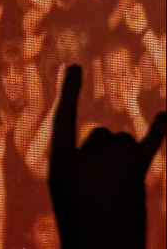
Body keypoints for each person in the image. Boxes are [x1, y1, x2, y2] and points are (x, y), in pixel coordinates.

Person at [48, 64, 166, 248]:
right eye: (113, 76)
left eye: (123, 75)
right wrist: (59, 101)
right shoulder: (74, 181)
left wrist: (132, 107)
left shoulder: (147, 109)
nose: (119, 84)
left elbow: (156, 169)